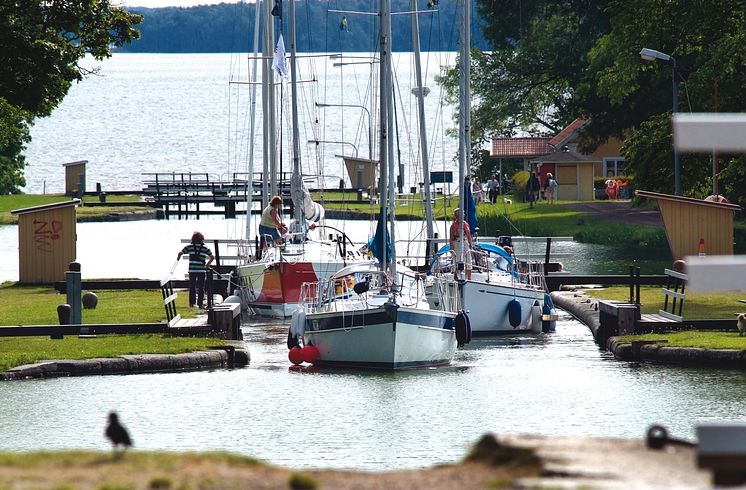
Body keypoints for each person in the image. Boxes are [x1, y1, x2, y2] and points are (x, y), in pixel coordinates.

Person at [177, 231, 214, 308]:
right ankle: (200, 303)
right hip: (201, 270)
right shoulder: (205, 248)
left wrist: (178, 258)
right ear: (202, 239)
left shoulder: (189, 247)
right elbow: (212, 257)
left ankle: (191, 303)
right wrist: (207, 264)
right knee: (201, 287)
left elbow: (180, 253)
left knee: (192, 286)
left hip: (192, 270)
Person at [449, 208, 473, 280]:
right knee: (457, 261)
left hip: (465, 242)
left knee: (468, 260)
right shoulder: (453, 225)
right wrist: (452, 248)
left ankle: (469, 279)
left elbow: (469, 235)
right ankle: (457, 278)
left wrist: (470, 244)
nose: (463, 215)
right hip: (457, 242)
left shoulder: (465, 224)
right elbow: (451, 238)